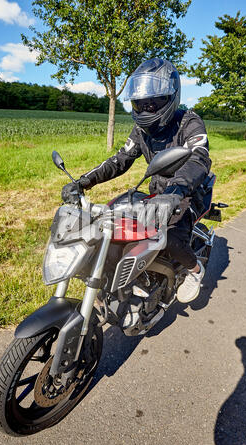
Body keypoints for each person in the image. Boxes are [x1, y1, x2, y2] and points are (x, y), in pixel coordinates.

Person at [62, 58, 212, 303]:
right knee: (114, 223)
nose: (145, 109)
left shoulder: (189, 122)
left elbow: (199, 159)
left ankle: (195, 271)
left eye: (152, 103)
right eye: (140, 103)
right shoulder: (142, 130)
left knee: (170, 236)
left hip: (187, 192)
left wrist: (176, 191)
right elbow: (120, 160)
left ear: (171, 97)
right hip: (156, 192)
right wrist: (83, 182)